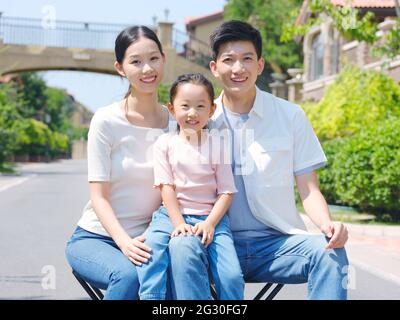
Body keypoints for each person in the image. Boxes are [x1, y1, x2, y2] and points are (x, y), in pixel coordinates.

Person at [168, 20, 349, 300]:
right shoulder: (197, 121)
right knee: (181, 249)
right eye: (229, 60)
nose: (238, 68)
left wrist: (328, 224)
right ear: (215, 67)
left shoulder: (291, 116)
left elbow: (309, 188)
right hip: (215, 242)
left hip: (276, 244)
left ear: (260, 65)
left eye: (247, 59)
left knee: (330, 253)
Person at [65, 25, 173, 300]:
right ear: (120, 68)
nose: (147, 69)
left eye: (153, 59)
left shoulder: (177, 123)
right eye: (136, 62)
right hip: (97, 238)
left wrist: (152, 237)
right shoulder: (106, 120)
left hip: (154, 238)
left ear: (164, 59)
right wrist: (124, 243)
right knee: (127, 276)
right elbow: (98, 197)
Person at [136, 73, 244, 300]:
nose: (192, 113)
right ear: (172, 109)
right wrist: (179, 224)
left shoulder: (217, 144)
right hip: (171, 215)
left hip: (211, 217)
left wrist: (211, 223)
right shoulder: (164, 143)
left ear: (211, 110)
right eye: (185, 106)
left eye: (200, 106)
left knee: (231, 276)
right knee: (152, 250)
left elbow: (226, 191)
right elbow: (166, 187)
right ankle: (152, 299)